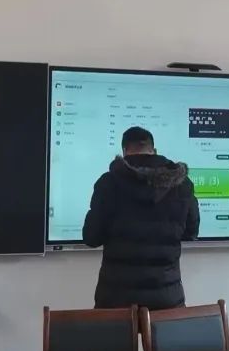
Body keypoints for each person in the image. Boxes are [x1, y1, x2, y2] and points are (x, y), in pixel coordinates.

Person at [84, 126, 200, 310]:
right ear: (154, 150)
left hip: (116, 299)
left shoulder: (108, 183)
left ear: (124, 151)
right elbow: (191, 232)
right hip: (167, 299)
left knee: (113, 330)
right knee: (169, 331)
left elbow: (91, 237)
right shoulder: (182, 184)